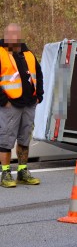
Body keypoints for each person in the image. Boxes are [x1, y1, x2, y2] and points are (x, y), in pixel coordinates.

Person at [0, 24, 43, 188]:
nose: (13, 37)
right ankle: (5, 173)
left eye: (16, 34)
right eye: (9, 34)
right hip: (10, 105)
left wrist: (39, 95)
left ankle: (22, 171)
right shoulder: (1, 53)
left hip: (29, 104)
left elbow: (38, 74)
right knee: (5, 139)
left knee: (24, 139)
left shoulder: (28, 53)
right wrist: (4, 101)